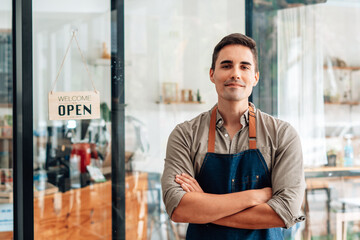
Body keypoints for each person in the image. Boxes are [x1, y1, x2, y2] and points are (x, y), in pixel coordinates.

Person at [161, 33, 305, 240]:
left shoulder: (282, 135)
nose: (235, 74)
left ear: (255, 77)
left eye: (244, 67)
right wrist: (254, 196)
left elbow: (286, 212)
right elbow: (179, 209)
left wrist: (203, 206)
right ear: (212, 74)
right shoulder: (185, 135)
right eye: (226, 66)